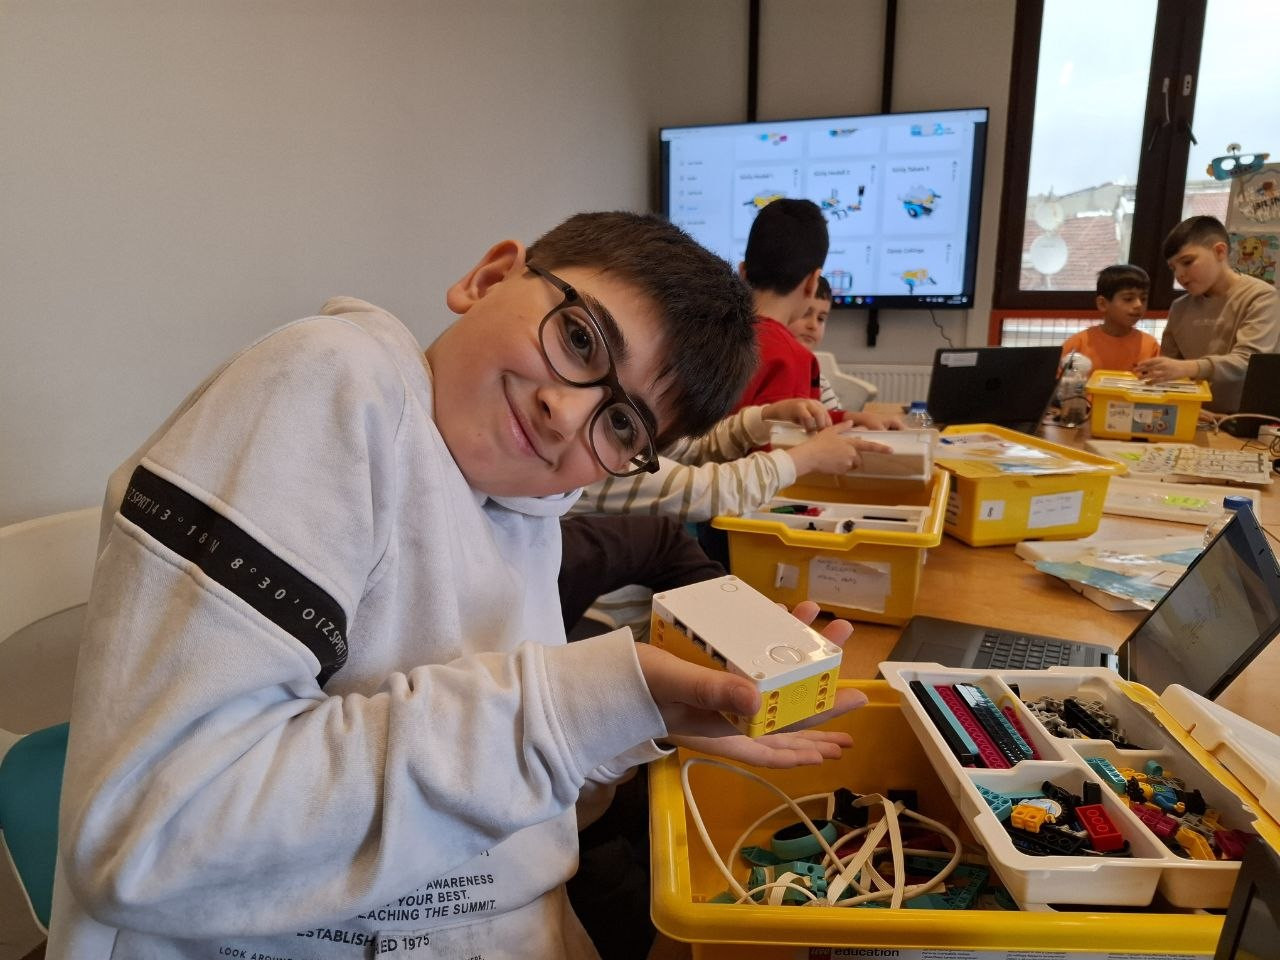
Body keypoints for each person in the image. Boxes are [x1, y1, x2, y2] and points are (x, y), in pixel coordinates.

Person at [49, 211, 867, 960]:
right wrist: (573, 709)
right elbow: (151, 837)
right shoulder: (335, 381)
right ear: (488, 277)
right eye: (579, 339)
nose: (565, 412)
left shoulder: (528, 508)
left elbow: (517, 813)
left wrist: (633, 721)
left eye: (622, 424)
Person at [1135, 215, 1280, 412]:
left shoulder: (1260, 297)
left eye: (1187, 262)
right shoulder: (1179, 307)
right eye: (1173, 268)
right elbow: (1168, 372)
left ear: (1220, 251)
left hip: (1247, 420)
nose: (1179, 275)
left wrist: (1188, 368)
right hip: (1195, 416)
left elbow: (1249, 361)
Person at [734, 198, 830, 409]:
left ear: (742, 273)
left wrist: (846, 417)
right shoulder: (795, 359)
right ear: (813, 282)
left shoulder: (712, 337)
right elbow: (791, 428)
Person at [1059, 264, 1159, 372]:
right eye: (1128, 299)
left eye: (1143, 299)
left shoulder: (1151, 346)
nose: (1138, 305)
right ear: (1102, 304)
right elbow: (1057, 379)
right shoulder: (1077, 344)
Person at [788, 274, 842, 411]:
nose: (813, 325)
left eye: (821, 318)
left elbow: (834, 417)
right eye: (805, 313)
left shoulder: (818, 381)